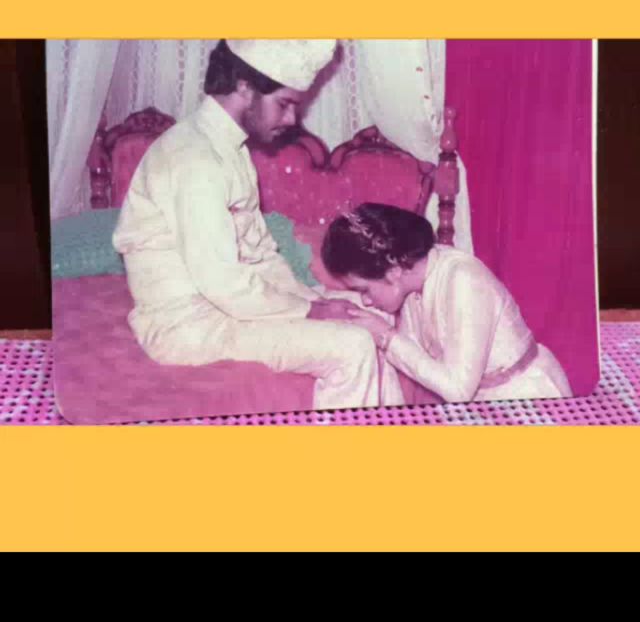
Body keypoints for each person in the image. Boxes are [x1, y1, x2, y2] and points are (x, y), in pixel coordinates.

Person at [113, 40, 404, 410]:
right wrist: (311, 311)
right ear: (244, 87)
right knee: (353, 345)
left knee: (368, 314)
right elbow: (221, 281)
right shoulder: (194, 160)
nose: (291, 120)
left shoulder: (230, 150)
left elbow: (261, 255)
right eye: (284, 104)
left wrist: (313, 300)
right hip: (189, 327)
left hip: (228, 307)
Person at [321, 202, 572, 403]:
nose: (366, 301)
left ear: (394, 272)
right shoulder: (413, 285)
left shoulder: (463, 279)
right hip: (485, 403)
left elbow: (457, 390)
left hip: (528, 396)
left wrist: (386, 336)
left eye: (364, 290)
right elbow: (415, 358)